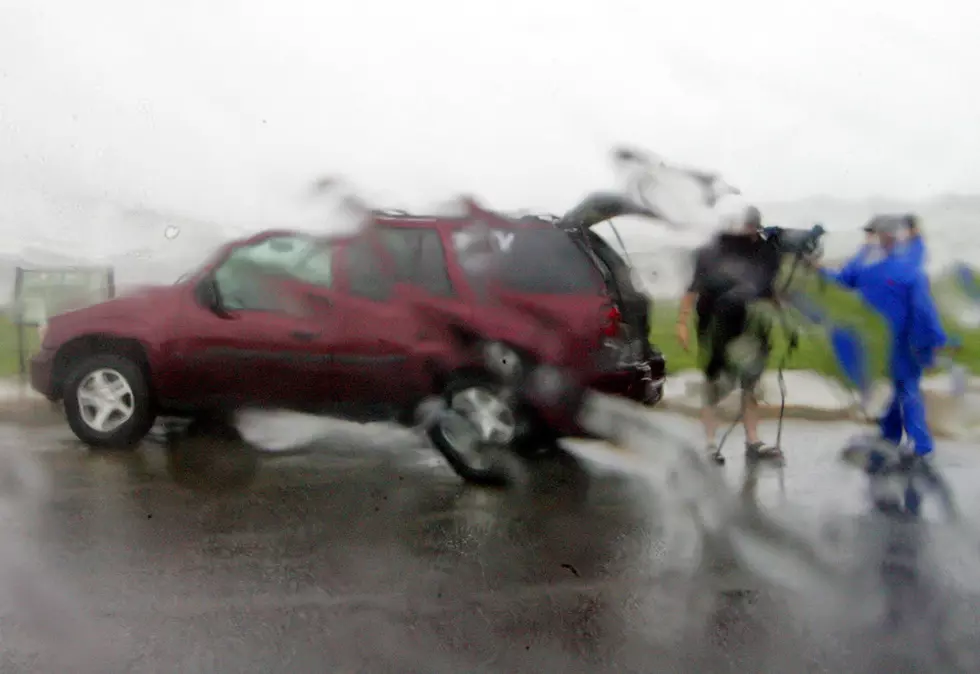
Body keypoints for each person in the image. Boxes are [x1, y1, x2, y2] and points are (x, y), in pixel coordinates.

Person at [813, 216, 946, 458]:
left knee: (898, 387)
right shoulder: (906, 266)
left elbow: (842, 280)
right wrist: (934, 339)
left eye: (870, 233)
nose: (866, 238)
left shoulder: (866, 263)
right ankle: (917, 443)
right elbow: (922, 308)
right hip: (903, 338)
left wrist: (818, 271)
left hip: (878, 339)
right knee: (906, 387)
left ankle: (893, 436)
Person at [676, 205, 785, 464]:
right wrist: (682, 322)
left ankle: (753, 441)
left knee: (750, 385)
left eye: (751, 228)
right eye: (743, 227)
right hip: (714, 325)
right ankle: (710, 444)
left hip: (751, 326)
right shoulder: (711, 251)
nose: (748, 232)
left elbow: (770, 292)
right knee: (713, 384)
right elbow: (693, 288)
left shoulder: (764, 251)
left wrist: (783, 316)